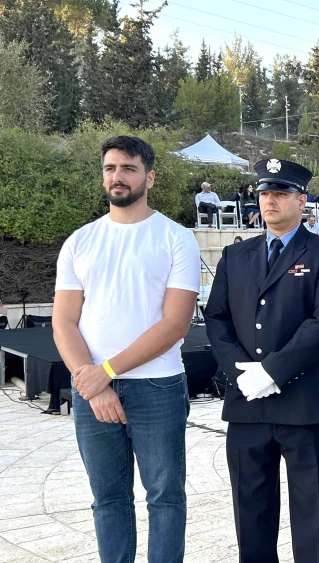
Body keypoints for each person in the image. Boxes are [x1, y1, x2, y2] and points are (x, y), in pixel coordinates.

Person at [52, 135, 200, 563]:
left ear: (149, 177)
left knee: (165, 497)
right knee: (107, 499)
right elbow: (63, 321)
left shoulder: (175, 238)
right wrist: (93, 384)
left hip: (157, 389)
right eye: (110, 168)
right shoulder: (80, 241)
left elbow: (174, 324)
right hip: (92, 392)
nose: (118, 177)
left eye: (128, 168)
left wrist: (108, 371)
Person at [204, 158, 319, 563]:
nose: (270, 201)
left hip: (305, 405)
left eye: (281, 193)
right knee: (251, 514)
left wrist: (272, 371)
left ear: (302, 201)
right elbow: (216, 317)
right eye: (265, 193)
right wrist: (240, 373)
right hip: (247, 404)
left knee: (312, 515)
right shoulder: (236, 257)